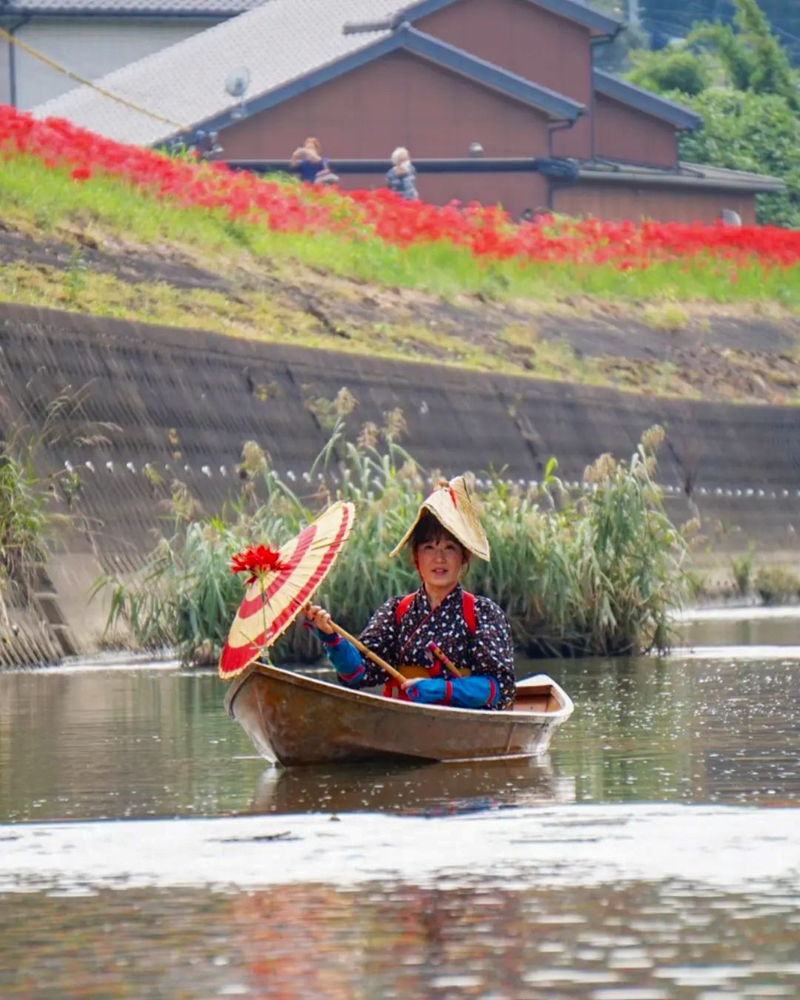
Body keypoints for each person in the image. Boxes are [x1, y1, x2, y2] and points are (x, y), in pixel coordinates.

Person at [304, 476, 516, 710]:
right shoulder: (397, 611)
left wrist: (439, 690)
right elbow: (359, 674)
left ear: (463, 557)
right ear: (416, 557)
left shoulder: (481, 613)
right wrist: (332, 638)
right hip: (402, 722)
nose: (439, 558)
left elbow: (500, 688)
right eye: (429, 548)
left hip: (463, 724)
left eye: (449, 548)